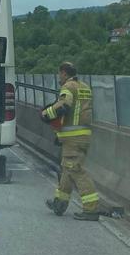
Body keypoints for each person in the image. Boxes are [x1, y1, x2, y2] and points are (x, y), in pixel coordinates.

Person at [42, 61, 99, 220]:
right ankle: (60, 203)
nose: (59, 77)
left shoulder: (68, 87)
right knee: (67, 170)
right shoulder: (85, 87)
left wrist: (46, 113)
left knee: (77, 170)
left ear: (64, 73)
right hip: (83, 136)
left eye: (59, 74)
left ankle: (91, 209)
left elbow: (64, 106)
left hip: (73, 138)